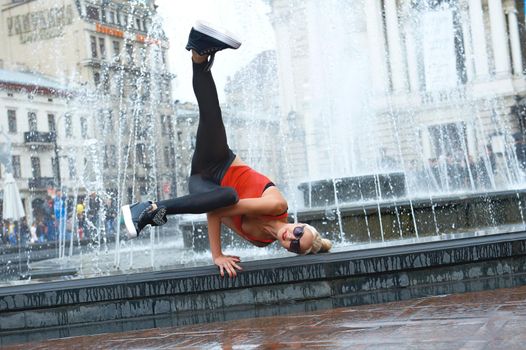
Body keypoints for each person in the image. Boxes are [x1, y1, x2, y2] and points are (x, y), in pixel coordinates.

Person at [122, 21, 332, 277]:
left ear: (290, 251)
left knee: (225, 196)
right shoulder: (277, 205)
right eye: (299, 232)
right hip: (220, 162)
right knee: (212, 117)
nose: (293, 237)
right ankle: (199, 53)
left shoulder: (260, 241)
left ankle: (146, 210)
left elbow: (216, 213)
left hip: (204, 185)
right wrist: (217, 255)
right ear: (299, 223)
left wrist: (218, 252)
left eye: (296, 246)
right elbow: (222, 208)